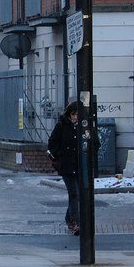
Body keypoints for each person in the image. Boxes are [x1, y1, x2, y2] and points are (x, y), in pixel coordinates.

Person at [46, 101, 82, 236]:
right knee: (74, 193)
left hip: (79, 165)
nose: (76, 117)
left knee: (77, 194)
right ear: (69, 114)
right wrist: (58, 154)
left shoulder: (84, 127)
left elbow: (94, 142)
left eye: (78, 115)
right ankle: (75, 221)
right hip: (67, 166)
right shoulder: (62, 126)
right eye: (74, 114)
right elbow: (52, 143)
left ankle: (69, 218)